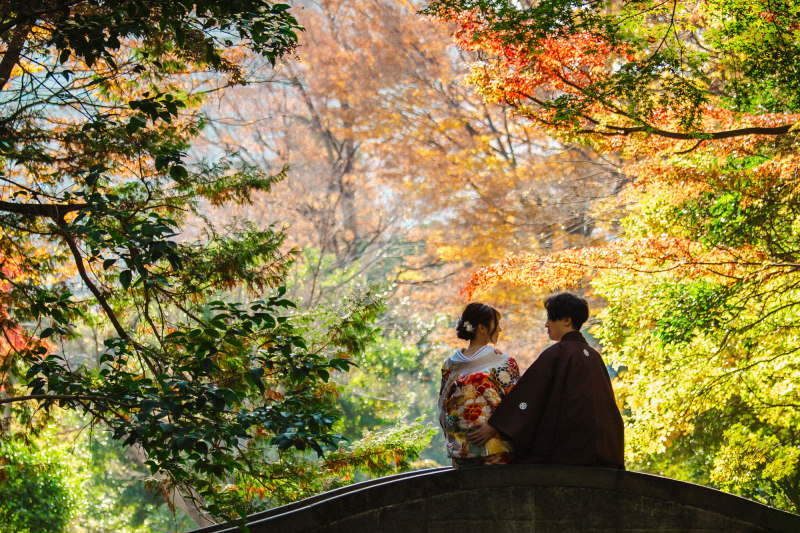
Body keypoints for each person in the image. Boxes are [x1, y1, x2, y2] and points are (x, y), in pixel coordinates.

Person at [467, 293, 625, 469]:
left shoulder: (558, 353)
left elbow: (528, 396)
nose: (546, 325)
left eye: (550, 319)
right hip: (603, 451)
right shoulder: (594, 356)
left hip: (567, 453)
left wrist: (495, 425)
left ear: (566, 320)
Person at [438, 302, 521, 467]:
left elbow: (443, 409)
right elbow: (518, 404)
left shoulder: (450, 365)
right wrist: (496, 426)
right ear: (482, 328)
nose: (500, 329)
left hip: (461, 452)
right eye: (496, 324)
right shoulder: (503, 362)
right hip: (497, 452)